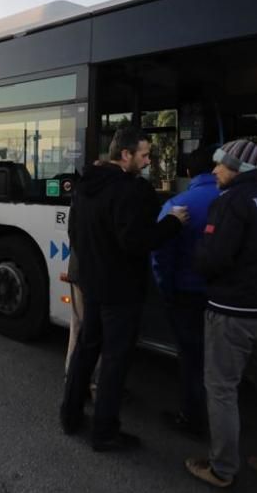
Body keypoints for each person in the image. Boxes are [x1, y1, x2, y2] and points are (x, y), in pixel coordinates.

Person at [60, 126, 189, 452]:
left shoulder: (86, 184)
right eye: (144, 154)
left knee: (87, 349)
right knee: (115, 361)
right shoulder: (128, 191)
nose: (148, 161)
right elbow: (136, 242)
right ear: (126, 154)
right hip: (120, 290)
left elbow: (73, 233)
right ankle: (104, 432)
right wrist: (173, 222)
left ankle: (70, 414)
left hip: (93, 285)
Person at [185, 139, 257, 489]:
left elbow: (212, 259)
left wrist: (198, 256)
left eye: (220, 163)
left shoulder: (231, 201)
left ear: (237, 166)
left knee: (221, 388)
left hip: (234, 313)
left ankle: (222, 469)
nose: (214, 170)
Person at [151, 144, 219, 437]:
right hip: (225, 297)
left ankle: (192, 418)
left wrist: (166, 291)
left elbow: (161, 256)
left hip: (186, 294)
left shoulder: (179, 205)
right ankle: (224, 418)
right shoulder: (233, 200)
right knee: (219, 360)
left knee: (191, 358)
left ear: (188, 172)